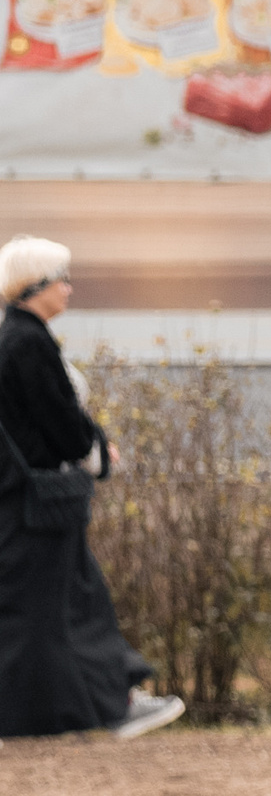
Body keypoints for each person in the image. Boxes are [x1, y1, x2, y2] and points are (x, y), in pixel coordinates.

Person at [0, 236, 183, 740]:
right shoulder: (28, 342)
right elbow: (60, 421)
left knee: (37, 614)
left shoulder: (13, 337)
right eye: (62, 280)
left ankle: (105, 703)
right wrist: (97, 449)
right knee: (78, 608)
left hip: (21, 505)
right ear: (35, 286)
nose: (69, 289)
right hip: (42, 508)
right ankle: (119, 702)